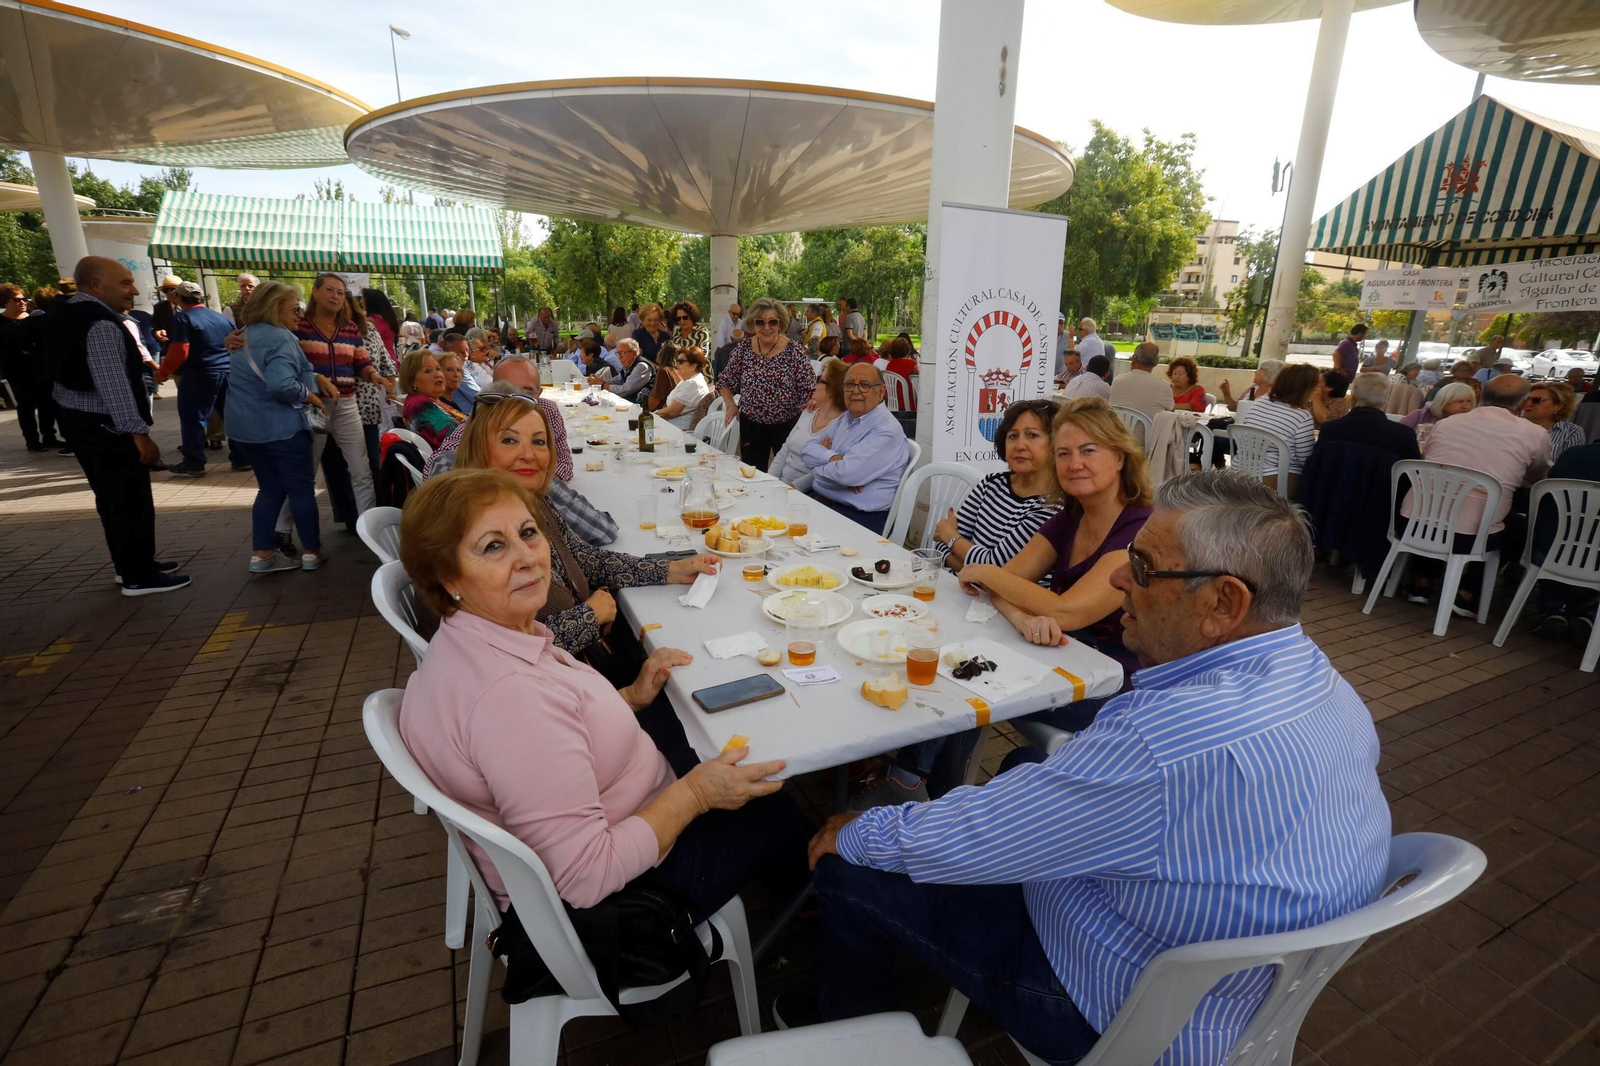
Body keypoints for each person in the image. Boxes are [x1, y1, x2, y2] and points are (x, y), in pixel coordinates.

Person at [792, 471, 1389, 1065]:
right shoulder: (1321, 679)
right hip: (1248, 985)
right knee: (1026, 759)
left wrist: (857, 831)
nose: (1121, 578)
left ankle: (845, 1031)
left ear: (1223, 602)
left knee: (851, 870)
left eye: (1146, 568)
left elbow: (983, 837)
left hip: (1126, 1009)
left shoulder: (1167, 740)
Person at [397, 469, 810, 923]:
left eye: (528, 533)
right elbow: (586, 876)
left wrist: (630, 697)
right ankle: (823, 912)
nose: (528, 558)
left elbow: (558, 731)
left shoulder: (477, 636)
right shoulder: (509, 701)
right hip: (618, 903)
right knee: (775, 806)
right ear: (445, 576)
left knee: (698, 731)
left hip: (617, 804)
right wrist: (696, 794)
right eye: (493, 546)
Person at [46, 257, 188, 595]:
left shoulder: (62, 313)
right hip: (108, 428)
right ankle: (139, 575)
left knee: (111, 499)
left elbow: (58, 379)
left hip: (80, 421)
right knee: (129, 499)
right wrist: (139, 434)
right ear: (96, 285)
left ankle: (131, 566)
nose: (134, 290)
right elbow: (114, 386)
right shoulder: (101, 324)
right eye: (125, 283)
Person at [1403, 374, 1550, 612]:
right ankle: (1467, 593)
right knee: (1516, 527)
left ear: (1480, 396)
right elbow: (1537, 478)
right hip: (1472, 535)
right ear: (1523, 403)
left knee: (1444, 500)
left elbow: (1430, 459)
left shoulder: (1447, 423)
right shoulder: (1533, 434)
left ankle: (1422, 582)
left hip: (1416, 522)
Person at [228, 281, 325, 574]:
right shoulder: (281, 338)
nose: (301, 314)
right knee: (300, 490)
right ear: (275, 308)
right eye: (295, 307)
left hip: (246, 429)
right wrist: (309, 395)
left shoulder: (242, 336)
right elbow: (280, 384)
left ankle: (263, 555)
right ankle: (311, 551)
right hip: (282, 428)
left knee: (269, 489)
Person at [935, 398, 1062, 573]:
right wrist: (976, 570)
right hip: (962, 590)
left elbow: (995, 566)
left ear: (1056, 444)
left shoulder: (1053, 506)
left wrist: (949, 535)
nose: (1020, 445)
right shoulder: (992, 483)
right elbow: (939, 548)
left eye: (1032, 435)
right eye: (1012, 436)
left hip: (1007, 600)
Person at [801, 363, 910, 534]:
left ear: (881, 392)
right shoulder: (847, 418)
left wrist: (820, 467)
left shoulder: (886, 430)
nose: (856, 391)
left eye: (865, 385)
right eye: (850, 384)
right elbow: (806, 450)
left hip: (861, 519)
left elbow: (844, 475)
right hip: (826, 503)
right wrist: (833, 459)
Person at [718, 298, 814, 471]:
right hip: (751, 424)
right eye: (760, 322)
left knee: (786, 474)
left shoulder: (794, 350)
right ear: (752, 324)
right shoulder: (744, 348)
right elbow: (724, 381)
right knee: (752, 474)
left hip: (787, 424)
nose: (767, 327)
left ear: (781, 323)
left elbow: (809, 389)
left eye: (773, 322)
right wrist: (731, 405)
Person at [153, 281, 235, 476]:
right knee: (231, 416)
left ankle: (194, 462)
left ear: (179, 298)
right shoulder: (221, 318)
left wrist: (162, 372)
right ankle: (241, 458)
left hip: (200, 373)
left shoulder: (183, 318)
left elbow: (180, 350)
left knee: (193, 418)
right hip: (227, 371)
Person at [1527, 442, 1600, 645]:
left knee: (1552, 533)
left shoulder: (1573, 454)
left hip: (1551, 549)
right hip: (1596, 558)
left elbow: (1546, 496)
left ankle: (1554, 608)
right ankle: (1590, 615)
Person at [1234, 362, 1318, 496]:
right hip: (1274, 480)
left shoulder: (1259, 402)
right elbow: (1306, 460)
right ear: (1307, 390)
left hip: (1240, 471)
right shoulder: (1301, 416)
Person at [0, 281, 62, 452]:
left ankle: (49, 436)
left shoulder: (33, 319)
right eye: (17, 299)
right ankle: (32, 440)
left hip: (39, 369)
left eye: (24, 299)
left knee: (46, 403)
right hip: (15, 372)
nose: (22, 302)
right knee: (25, 405)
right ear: (6, 302)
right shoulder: (1, 323)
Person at [771, 357, 848, 485]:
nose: (814, 383)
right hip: (779, 485)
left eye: (819, 379)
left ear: (831, 390)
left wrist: (792, 488)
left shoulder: (841, 425)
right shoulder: (809, 411)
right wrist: (769, 480)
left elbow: (825, 470)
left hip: (807, 493)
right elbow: (785, 451)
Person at [1315, 371, 1419, 460]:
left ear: (1353, 399)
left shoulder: (1330, 429)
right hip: (1385, 484)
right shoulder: (1404, 435)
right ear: (1384, 403)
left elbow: (1317, 466)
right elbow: (1413, 474)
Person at [399, 349, 467, 449]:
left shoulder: (433, 400)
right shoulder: (420, 405)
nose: (438, 374)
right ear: (413, 381)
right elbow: (455, 437)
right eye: (428, 371)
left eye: (438, 369)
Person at [1108, 341, 1174, 421]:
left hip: (1117, 432)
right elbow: (1171, 412)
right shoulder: (1164, 386)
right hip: (1149, 433)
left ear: (1134, 358)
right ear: (1157, 361)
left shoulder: (1117, 381)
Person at [1524, 381, 1585, 462]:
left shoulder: (1572, 432)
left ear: (1558, 406)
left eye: (1537, 400)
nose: (1528, 404)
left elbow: (1571, 465)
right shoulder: (1512, 426)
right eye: (1526, 399)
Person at [656, 347, 712, 429]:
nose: (676, 364)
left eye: (681, 362)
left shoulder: (693, 384)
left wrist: (653, 414)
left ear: (693, 366)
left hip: (679, 431)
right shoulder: (690, 381)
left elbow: (672, 412)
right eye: (677, 361)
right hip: (671, 426)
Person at [592, 337, 655, 402]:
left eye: (622, 353)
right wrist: (600, 381)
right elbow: (617, 380)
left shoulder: (642, 366)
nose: (619, 357)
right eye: (618, 353)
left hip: (639, 407)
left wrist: (605, 386)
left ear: (634, 353)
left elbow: (627, 389)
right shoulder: (630, 364)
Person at [1218, 358, 1282, 411]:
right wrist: (1226, 393)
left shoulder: (1275, 396)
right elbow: (1234, 408)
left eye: (1260, 370)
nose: (1255, 372)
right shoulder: (1253, 388)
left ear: (1269, 374)